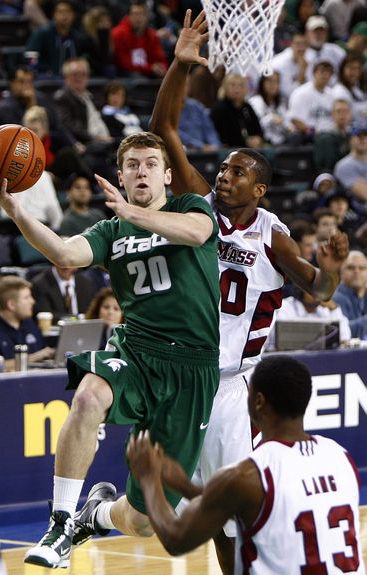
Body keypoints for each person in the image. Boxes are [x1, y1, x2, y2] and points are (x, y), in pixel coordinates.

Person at [145, 11, 349, 574]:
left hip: (233, 388)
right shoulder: (198, 207)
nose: (223, 176)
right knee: (163, 507)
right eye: (224, 169)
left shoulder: (274, 238)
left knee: (225, 514)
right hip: (182, 374)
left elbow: (324, 293)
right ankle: (88, 516)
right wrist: (181, 65)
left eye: (236, 172)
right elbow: (163, 130)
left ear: (258, 188)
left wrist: (331, 268)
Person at [0, 130, 220, 569]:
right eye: (131, 165)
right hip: (137, 347)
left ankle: (98, 514)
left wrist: (137, 216)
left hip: (191, 368)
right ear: (121, 177)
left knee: (147, 521)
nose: (140, 171)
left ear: (167, 175)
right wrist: (15, 210)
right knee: (88, 396)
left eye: (149, 164)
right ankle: (61, 520)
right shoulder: (112, 229)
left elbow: (198, 234)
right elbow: (65, 253)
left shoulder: (191, 207)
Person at [126, 355, 365, 575]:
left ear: (258, 400)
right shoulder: (340, 457)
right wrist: (185, 487)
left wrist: (149, 480)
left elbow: (175, 539)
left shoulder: (249, 475)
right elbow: (267, 503)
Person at [0, 275, 55, 366]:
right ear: (11, 305)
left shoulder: (30, 323)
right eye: (26, 297)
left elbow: (46, 354)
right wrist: (34, 357)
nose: (32, 301)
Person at [266, 285, 351, 350]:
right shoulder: (284, 307)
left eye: (320, 290)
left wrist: (334, 309)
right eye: (313, 290)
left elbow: (345, 337)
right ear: (299, 290)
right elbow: (279, 338)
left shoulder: (326, 309)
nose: (318, 294)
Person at [24, 0, 87, 77]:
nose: (64, 15)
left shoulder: (77, 37)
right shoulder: (42, 33)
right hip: (46, 79)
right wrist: (43, 71)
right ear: (54, 14)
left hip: (70, 79)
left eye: (68, 12)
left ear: (73, 15)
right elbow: (30, 55)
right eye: (60, 12)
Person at [110, 0, 168, 78]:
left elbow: (160, 58)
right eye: (135, 14)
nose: (138, 18)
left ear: (147, 17)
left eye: (141, 14)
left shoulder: (152, 35)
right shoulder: (118, 34)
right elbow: (125, 63)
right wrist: (150, 68)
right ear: (128, 16)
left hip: (148, 71)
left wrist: (162, 67)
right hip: (126, 73)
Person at [210, 73, 265, 149]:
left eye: (240, 86)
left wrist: (258, 138)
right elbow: (223, 136)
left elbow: (258, 128)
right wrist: (246, 141)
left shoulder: (247, 107)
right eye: (233, 85)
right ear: (225, 88)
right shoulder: (219, 109)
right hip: (228, 150)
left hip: (250, 149)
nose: (237, 89)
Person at [30, 263, 98, 322]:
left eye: (71, 262)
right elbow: (45, 315)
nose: (67, 266)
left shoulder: (85, 283)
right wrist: (77, 318)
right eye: (63, 262)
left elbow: (93, 311)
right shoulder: (40, 284)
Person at [333, 250, 367, 339]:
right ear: (340, 271)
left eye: (362, 268)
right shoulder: (335, 298)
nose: (357, 271)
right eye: (350, 268)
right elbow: (343, 332)